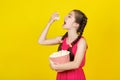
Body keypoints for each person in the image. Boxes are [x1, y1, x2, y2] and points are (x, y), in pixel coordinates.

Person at [38, 9, 88, 80]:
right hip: (61, 76)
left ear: (76, 24)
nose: (65, 17)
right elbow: (41, 41)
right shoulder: (62, 39)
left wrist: (55, 67)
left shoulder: (81, 42)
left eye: (69, 16)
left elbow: (76, 64)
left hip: (75, 77)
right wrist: (50, 23)